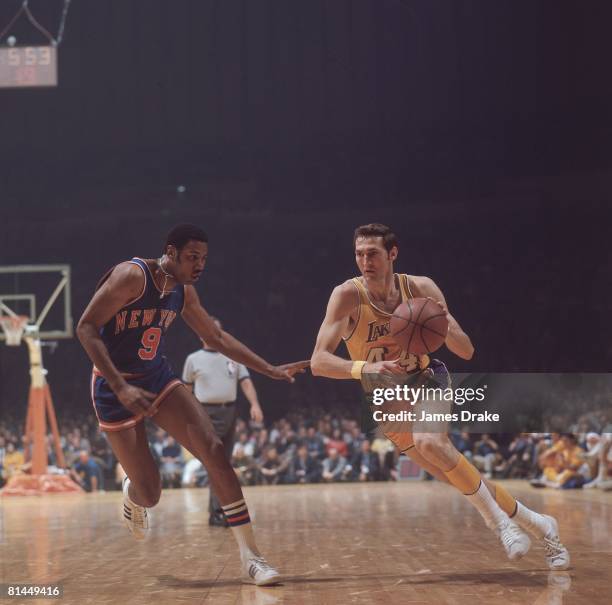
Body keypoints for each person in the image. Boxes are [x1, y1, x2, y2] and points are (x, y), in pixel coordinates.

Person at [310, 222, 569, 570]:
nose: (364, 261)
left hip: (426, 378)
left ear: (393, 253)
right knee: (456, 475)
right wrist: (362, 369)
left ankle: (499, 525)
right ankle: (539, 523)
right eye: (359, 254)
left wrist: (443, 324)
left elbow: (466, 351)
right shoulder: (347, 295)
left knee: (431, 442)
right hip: (386, 401)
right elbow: (318, 361)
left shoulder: (420, 287)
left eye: (372, 253)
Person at [77, 223, 308, 586]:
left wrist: (268, 369)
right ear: (170, 252)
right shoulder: (131, 275)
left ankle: (252, 558)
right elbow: (86, 328)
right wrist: (120, 386)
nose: (199, 265)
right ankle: (132, 493)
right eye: (192, 257)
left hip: (157, 379)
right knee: (150, 494)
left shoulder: (184, 293)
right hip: (112, 387)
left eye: (204, 259)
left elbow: (215, 336)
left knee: (215, 451)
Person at [182, 317, 264, 527]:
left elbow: (246, 383)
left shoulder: (233, 357)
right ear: (201, 335)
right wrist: (189, 416)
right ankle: (218, 512)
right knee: (216, 464)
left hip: (230, 411)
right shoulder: (193, 359)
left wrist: (255, 404)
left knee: (224, 464)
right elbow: (187, 391)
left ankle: (222, 511)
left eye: (216, 330)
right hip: (206, 413)